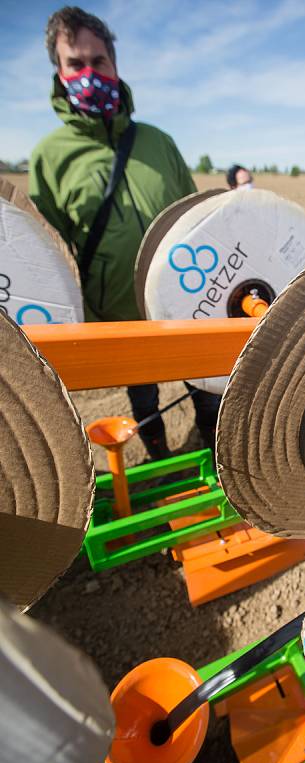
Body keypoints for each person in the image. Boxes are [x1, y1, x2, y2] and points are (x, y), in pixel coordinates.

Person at [29, 7, 218, 458]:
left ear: (115, 66)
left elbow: (198, 220)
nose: (89, 73)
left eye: (99, 62)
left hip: (185, 301)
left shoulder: (158, 143)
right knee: (145, 399)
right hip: (118, 315)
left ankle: (215, 453)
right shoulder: (49, 158)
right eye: (76, 64)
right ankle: (158, 454)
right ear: (59, 71)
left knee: (207, 390)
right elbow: (44, 254)